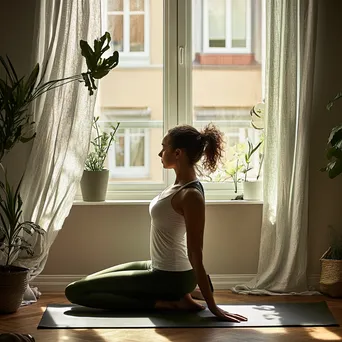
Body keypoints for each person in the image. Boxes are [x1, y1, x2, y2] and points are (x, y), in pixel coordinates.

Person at [65, 124, 247, 322]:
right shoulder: (177, 186)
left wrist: (214, 307)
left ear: (177, 153)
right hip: (158, 267)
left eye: (164, 147)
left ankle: (167, 302)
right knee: (84, 283)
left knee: (74, 292)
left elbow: (195, 252)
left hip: (171, 276)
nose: (160, 153)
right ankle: (184, 294)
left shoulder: (191, 195)